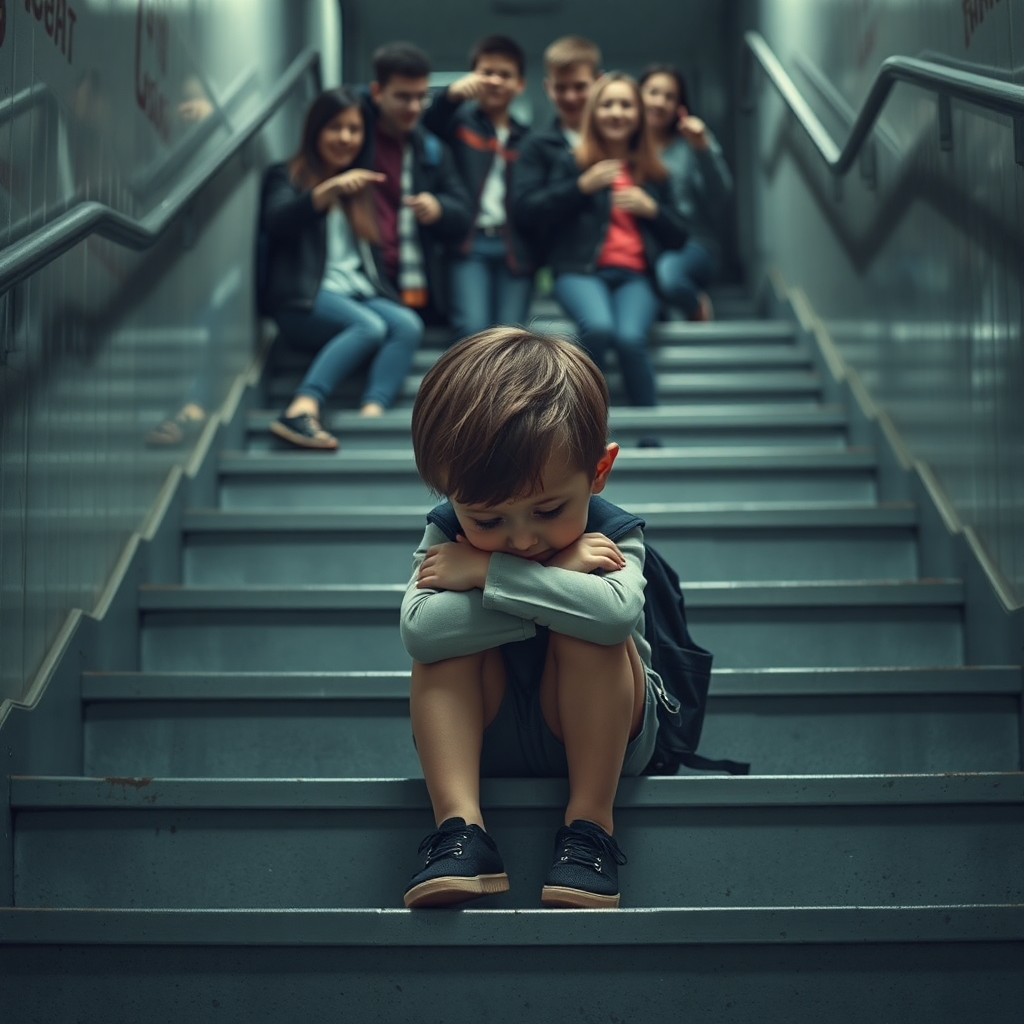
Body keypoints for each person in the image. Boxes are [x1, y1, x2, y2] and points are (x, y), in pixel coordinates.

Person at [399, 327, 661, 910]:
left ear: (598, 472)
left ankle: (590, 828)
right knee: (441, 644)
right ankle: (461, 831)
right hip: (487, 731)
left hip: (606, 732)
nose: (519, 538)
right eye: (488, 521)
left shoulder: (613, 532)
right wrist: (554, 579)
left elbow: (615, 616)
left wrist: (489, 575)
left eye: (547, 511)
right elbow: (420, 628)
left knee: (590, 629)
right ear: (452, 493)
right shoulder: (446, 529)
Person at [259, 88, 424, 450]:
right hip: (304, 298)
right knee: (369, 327)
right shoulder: (285, 175)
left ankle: (371, 412)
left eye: (355, 129)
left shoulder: (359, 191)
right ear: (315, 129)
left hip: (355, 293)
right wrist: (326, 191)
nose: (346, 138)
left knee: (407, 324)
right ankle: (301, 407)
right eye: (336, 127)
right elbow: (277, 221)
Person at [512, 72, 686, 409]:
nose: (616, 113)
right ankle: (589, 430)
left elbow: (679, 238)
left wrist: (653, 210)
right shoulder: (571, 162)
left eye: (625, 105)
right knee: (599, 328)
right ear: (594, 112)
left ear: (638, 114)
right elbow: (535, 215)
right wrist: (580, 187)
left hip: (636, 275)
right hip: (579, 272)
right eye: (607, 104)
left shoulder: (654, 172)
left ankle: (651, 436)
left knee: (630, 338)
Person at [420, 34, 534, 340]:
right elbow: (425, 127)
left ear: (520, 84)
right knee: (471, 331)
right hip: (468, 244)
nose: (495, 80)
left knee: (512, 338)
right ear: (473, 76)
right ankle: (466, 391)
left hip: (515, 249)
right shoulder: (458, 124)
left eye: (505, 74)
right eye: (486, 72)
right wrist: (449, 97)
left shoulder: (528, 138)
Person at [356, 42, 472, 323]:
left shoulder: (432, 148)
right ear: (376, 92)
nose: (414, 107)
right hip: (360, 274)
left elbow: (462, 210)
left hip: (411, 279)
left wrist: (439, 208)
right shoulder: (354, 138)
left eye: (421, 97)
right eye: (403, 97)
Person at [639, 63, 733, 322]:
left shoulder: (691, 143)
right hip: (647, 245)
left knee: (669, 278)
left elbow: (720, 195)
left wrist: (703, 148)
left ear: (679, 106)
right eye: (653, 92)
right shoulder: (627, 143)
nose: (660, 102)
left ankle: (696, 307)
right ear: (639, 96)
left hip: (693, 242)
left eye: (669, 96)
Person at [511, 36, 601, 269]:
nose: (570, 97)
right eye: (561, 88)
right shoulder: (536, 145)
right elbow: (525, 210)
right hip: (568, 266)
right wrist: (579, 188)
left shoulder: (619, 138)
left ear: (599, 83)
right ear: (548, 87)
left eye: (580, 87)